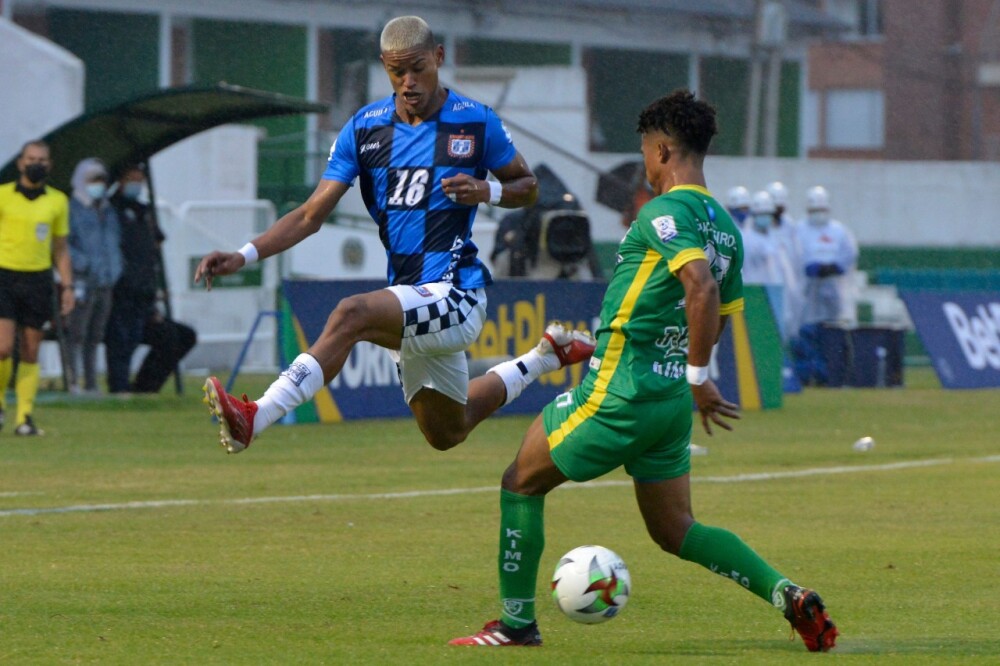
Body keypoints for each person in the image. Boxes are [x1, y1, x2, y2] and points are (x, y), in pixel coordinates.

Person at [449, 90, 839, 652]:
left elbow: (698, 286)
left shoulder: (663, 213)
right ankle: (788, 596)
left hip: (620, 392)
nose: (646, 167)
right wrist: (687, 373)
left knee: (520, 483)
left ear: (661, 150)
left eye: (644, 153)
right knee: (675, 529)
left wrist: (698, 376)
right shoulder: (726, 228)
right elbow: (715, 313)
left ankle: (515, 625)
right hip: (667, 401)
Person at [195, 15, 596, 454]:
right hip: (410, 295)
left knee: (351, 315)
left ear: (439, 58)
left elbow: (529, 187)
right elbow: (310, 215)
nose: (408, 82)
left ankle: (256, 416)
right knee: (447, 431)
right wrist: (243, 255)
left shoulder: (474, 121)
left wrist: (486, 189)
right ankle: (544, 357)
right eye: (395, 71)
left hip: (456, 294)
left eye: (418, 68)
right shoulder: (364, 128)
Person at [0, 140, 75, 435]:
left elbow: (60, 248)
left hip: (38, 279)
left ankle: (24, 418)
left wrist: (67, 286)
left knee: (31, 350)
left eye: (42, 159)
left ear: (49, 164)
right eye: (31, 158)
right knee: (3, 348)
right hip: (4, 275)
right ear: (20, 163)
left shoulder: (57, 201)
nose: (36, 164)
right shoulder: (3, 196)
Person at [106, 165, 196, 394]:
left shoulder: (144, 212)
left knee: (179, 336)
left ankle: (144, 390)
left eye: (140, 179)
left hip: (144, 295)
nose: (136, 185)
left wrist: (155, 292)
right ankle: (120, 391)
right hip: (121, 293)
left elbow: (154, 247)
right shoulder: (110, 211)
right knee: (123, 342)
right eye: (131, 179)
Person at [66, 158, 122, 394]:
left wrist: (116, 267)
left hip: (105, 280)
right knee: (77, 332)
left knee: (95, 335)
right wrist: (83, 264)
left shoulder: (107, 209)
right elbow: (64, 243)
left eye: (101, 180)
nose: (98, 185)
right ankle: (72, 381)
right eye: (92, 180)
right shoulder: (72, 208)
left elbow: (114, 241)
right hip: (82, 281)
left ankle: (91, 382)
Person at [792, 185, 859, 386]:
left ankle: (829, 375)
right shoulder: (799, 229)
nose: (818, 215)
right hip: (808, 288)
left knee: (831, 332)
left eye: (821, 210)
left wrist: (836, 267)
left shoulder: (838, 231)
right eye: (814, 210)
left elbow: (850, 253)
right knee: (806, 332)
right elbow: (794, 255)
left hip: (833, 289)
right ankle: (806, 374)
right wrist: (809, 267)